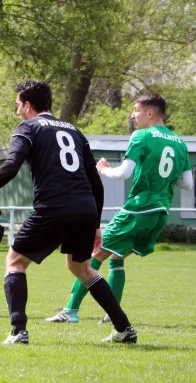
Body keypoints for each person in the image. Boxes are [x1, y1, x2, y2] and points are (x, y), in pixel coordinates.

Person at [0, 80, 135, 344]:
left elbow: (11, 166)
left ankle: (18, 331)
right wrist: (95, 224)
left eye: (17, 106)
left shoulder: (28, 127)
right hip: (85, 206)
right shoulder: (74, 130)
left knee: (15, 262)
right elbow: (95, 181)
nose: (16, 112)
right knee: (81, 268)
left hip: (54, 206)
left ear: (27, 104)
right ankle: (124, 328)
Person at [45, 92, 192, 325]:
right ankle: (110, 314)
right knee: (116, 257)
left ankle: (70, 310)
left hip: (138, 209)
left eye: (136, 110)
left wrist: (103, 169)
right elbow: (187, 184)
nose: (133, 116)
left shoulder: (141, 136)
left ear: (150, 112)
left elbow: (123, 173)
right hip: (160, 213)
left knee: (94, 256)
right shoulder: (180, 142)